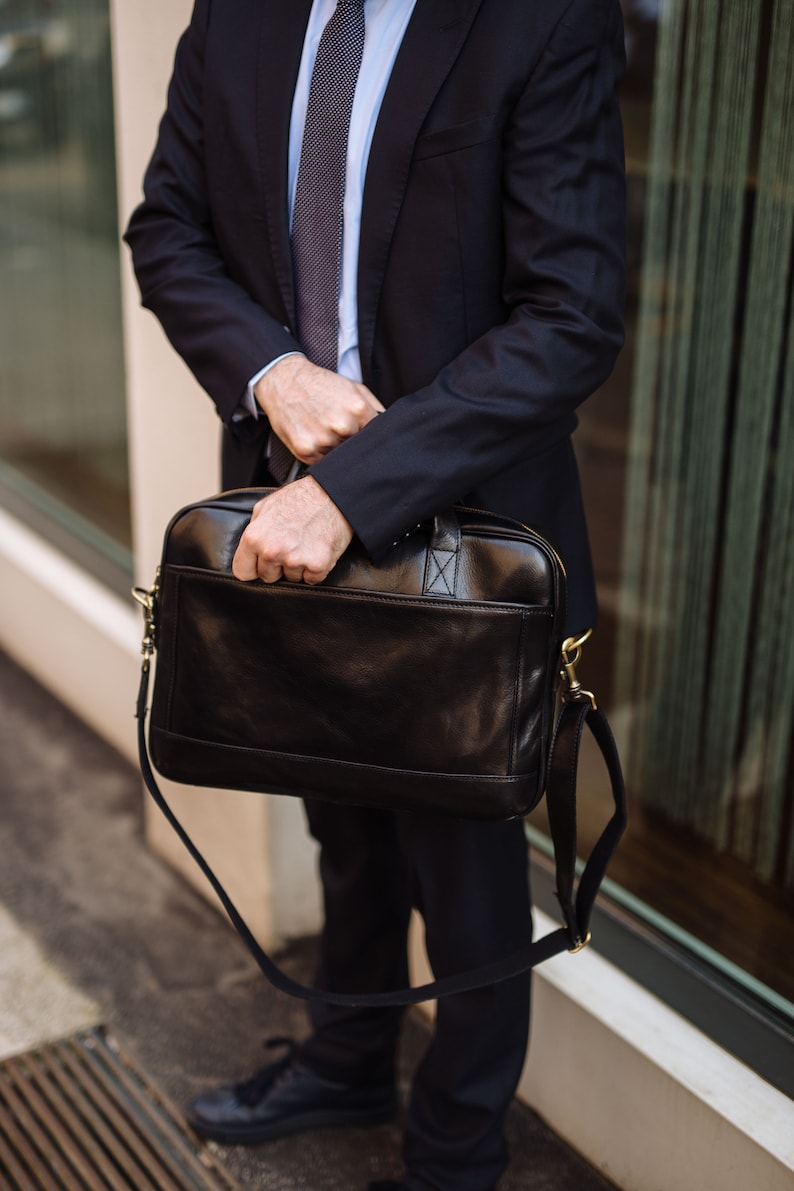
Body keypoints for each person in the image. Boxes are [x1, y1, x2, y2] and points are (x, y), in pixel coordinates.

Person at [124, 2, 626, 1188]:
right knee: (338, 824)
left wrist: (351, 488)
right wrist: (270, 371)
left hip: (466, 535)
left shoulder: (541, 20)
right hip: (274, 505)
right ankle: (347, 1054)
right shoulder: (237, 12)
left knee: (464, 868)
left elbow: (569, 317)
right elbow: (167, 232)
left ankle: (456, 1149)